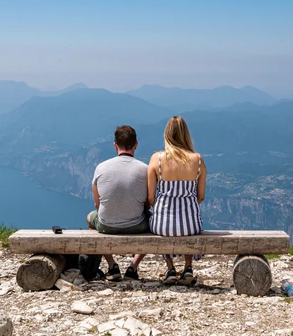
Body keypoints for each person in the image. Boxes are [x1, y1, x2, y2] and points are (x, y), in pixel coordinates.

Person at [147, 115, 206, 286]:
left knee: (164, 225)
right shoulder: (198, 160)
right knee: (187, 224)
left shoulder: (156, 159)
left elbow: (151, 197)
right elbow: (200, 195)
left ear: (167, 135)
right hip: (190, 224)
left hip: (162, 224)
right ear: (186, 135)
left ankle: (171, 268)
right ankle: (188, 267)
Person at [86, 125, 150, 280]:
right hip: (137, 226)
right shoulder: (145, 169)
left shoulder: (101, 168)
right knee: (155, 221)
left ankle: (112, 265)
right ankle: (133, 266)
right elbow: (148, 204)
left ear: (115, 145)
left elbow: (97, 204)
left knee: (90, 218)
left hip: (106, 225)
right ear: (136, 144)